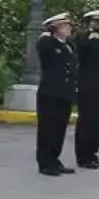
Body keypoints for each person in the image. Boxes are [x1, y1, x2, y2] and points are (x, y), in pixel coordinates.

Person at [35, 13, 78, 176]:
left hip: (64, 94)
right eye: (64, 26)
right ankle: (45, 163)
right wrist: (46, 34)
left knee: (59, 130)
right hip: (50, 94)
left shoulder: (68, 45)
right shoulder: (47, 44)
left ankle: (55, 159)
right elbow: (42, 47)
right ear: (55, 28)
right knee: (48, 129)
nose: (69, 29)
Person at [74, 9, 99, 169]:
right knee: (87, 122)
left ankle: (93, 154)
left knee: (98, 122)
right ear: (96, 23)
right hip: (89, 86)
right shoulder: (84, 38)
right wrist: (93, 40)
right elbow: (83, 55)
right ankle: (83, 156)